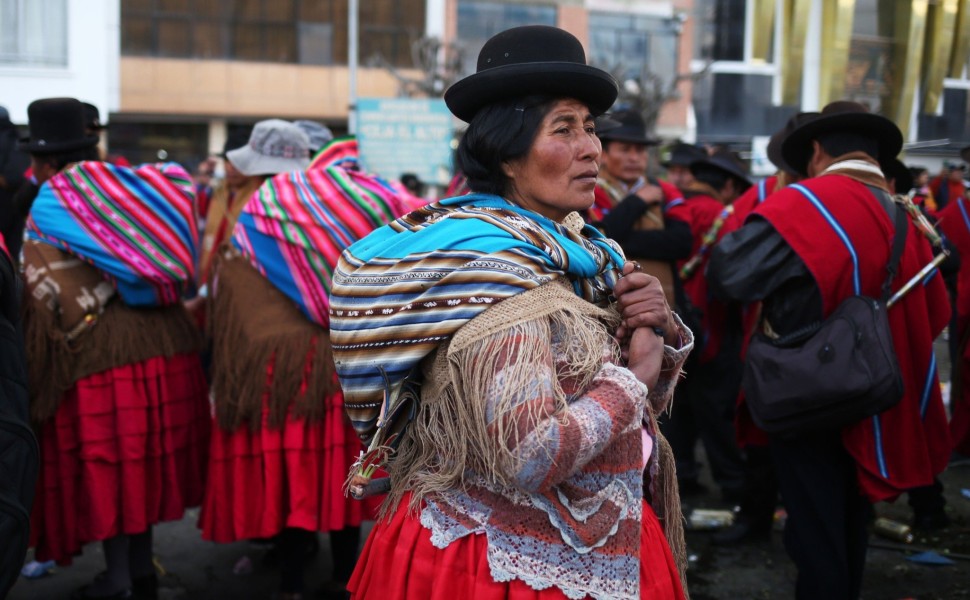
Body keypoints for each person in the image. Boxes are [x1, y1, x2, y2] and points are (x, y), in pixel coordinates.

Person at [329, 25, 693, 600]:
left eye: (591, 129)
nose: (592, 148)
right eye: (564, 129)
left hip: (586, 539)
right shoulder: (492, 273)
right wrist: (636, 375)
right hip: (494, 564)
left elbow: (602, 393)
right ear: (506, 151)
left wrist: (655, 327)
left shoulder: (582, 254)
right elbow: (531, 454)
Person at [708, 101, 952, 599]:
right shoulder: (906, 213)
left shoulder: (805, 202)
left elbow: (729, 275)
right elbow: (936, 310)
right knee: (850, 521)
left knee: (815, 531)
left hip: (812, 394)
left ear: (816, 152)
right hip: (880, 391)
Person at [21, 97, 209, 600]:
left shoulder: (52, 200)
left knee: (112, 466)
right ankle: (141, 572)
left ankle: (120, 578)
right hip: (166, 344)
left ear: (44, 161)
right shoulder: (136, 187)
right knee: (144, 463)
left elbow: (36, 285)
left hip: (101, 359)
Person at [201, 128, 385, 600]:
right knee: (341, 470)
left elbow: (236, 289)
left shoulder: (259, 211)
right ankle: (346, 576)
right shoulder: (339, 201)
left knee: (292, 474)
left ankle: (292, 583)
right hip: (344, 365)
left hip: (280, 369)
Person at [710, 112, 815, 545]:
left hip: (825, 336)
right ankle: (756, 517)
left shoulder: (828, 197)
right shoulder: (765, 194)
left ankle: (806, 524)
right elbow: (728, 260)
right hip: (768, 329)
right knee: (759, 427)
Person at [661, 151, 751, 502]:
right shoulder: (721, 216)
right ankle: (733, 485)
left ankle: (682, 479)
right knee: (716, 412)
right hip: (712, 327)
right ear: (728, 186)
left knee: (676, 409)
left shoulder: (674, 209)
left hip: (672, 327)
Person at [591, 109, 693, 309]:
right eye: (625, 149)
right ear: (604, 153)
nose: (634, 158)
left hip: (665, 301)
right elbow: (595, 241)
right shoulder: (591, 191)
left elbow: (682, 242)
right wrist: (637, 201)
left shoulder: (666, 191)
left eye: (640, 150)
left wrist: (620, 239)